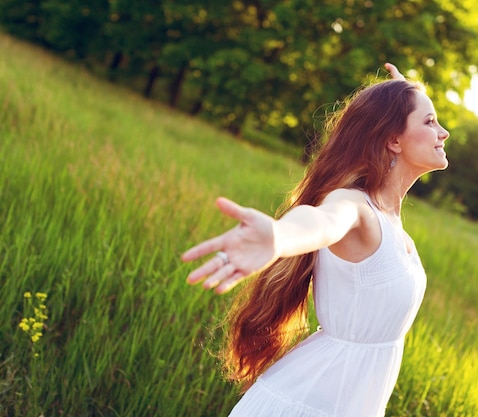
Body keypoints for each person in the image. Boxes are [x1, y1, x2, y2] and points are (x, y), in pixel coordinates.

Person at [181, 63, 450, 417]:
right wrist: (278, 236)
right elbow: (322, 221)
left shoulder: (389, 219)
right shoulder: (356, 208)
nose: (443, 132)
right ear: (393, 139)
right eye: (430, 122)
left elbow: (395, 120)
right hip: (304, 404)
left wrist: (404, 96)